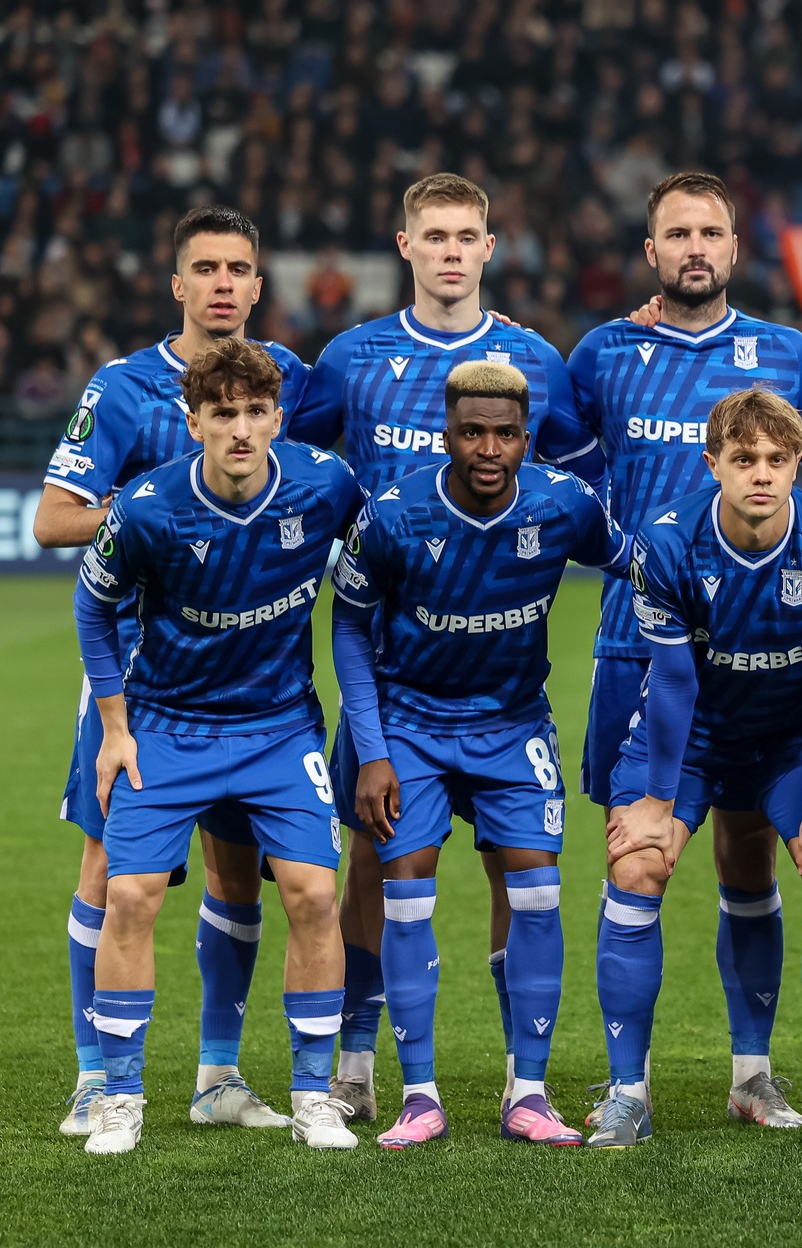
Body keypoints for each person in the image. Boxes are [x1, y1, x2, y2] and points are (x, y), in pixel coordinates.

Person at [539, 172, 802, 1130]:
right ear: (651, 252)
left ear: (732, 244)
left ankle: (755, 1076)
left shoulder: (787, 353)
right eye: (676, 232)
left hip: (771, 653)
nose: (695, 247)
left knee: (751, 859)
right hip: (642, 650)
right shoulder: (602, 353)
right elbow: (565, 473)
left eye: (710, 231)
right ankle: (625, 1086)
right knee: (635, 848)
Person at [292, 172, 573, 1125]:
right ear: (405, 246)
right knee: (373, 861)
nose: (451, 252)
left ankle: (515, 1075)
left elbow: (577, 473)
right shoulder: (351, 357)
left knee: (515, 870)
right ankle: (362, 1055)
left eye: (467, 236)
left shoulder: (534, 358)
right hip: (390, 651)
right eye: (434, 236)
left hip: (498, 670)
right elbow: (301, 462)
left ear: (489, 248)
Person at [33, 206, 312, 1138]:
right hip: (138, 677)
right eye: (207, 267)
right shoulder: (121, 390)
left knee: (239, 872)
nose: (225, 283)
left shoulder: (285, 380)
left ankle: (218, 1076)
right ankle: (90, 1073)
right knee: (111, 865)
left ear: (259, 285)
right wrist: (145, 509)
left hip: (250, 679)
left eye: (240, 267)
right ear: (178, 283)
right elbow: (53, 520)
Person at [71, 338, 363, 1154]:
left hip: (278, 727)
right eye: (222, 413)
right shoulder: (146, 507)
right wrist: (116, 728)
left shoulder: (326, 483)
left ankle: (312, 1094)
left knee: (311, 893)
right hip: (167, 725)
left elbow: (389, 554)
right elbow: (93, 611)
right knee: (130, 898)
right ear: (191, 420)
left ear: (278, 418)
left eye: (255, 413)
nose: (240, 429)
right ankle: (121, 1098)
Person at [330, 360, 629, 1149]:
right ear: (447, 435)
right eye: (472, 433)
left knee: (537, 893)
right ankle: (419, 1095)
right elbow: (349, 627)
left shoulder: (564, 503)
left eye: (504, 434)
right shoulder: (393, 515)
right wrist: (372, 750)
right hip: (411, 725)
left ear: (527, 438)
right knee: (406, 889)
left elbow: (633, 559)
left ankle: (526, 1091)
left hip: (512, 724)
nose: (488, 449)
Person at [588, 390, 802, 1149]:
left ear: (797, 466)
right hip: (692, 741)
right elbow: (675, 682)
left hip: (787, 741)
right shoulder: (669, 540)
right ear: (712, 463)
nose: (762, 475)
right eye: (743, 459)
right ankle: (627, 1094)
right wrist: (654, 800)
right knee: (640, 863)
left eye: (778, 461)